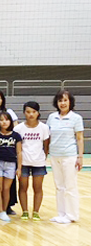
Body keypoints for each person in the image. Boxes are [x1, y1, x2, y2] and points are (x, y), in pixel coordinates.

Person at [46, 90, 84, 224]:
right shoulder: (52, 117)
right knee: (59, 186)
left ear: (70, 102)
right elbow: (48, 136)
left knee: (70, 186)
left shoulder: (76, 118)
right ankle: (61, 214)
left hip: (69, 156)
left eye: (65, 100)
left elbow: (79, 138)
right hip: (54, 155)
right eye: (60, 100)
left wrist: (80, 157)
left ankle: (72, 215)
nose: (63, 103)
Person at [14, 101, 50, 221]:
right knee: (23, 187)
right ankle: (24, 211)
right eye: (28, 112)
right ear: (24, 113)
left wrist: (43, 156)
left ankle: (36, 212)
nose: (31, 114)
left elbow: (46, 145)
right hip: (23, 163)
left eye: (34, 112)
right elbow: (16, 146)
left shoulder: (44, 128)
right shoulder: (18, 128)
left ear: (38, 113)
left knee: (38, 188)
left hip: (39, 163)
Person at [0, 111, 22, 222]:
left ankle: (5, 209)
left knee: (6, 189)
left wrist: (19, 168)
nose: (4, 122)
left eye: (6, 119)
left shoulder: (16, 136)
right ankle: (0, 210)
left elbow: (19, 152)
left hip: (11, 164)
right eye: (1, 120)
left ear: (10, 121)